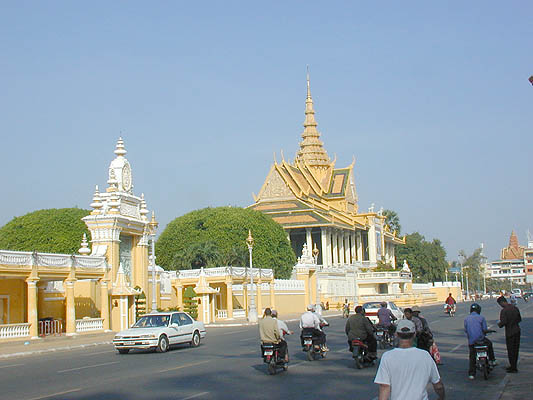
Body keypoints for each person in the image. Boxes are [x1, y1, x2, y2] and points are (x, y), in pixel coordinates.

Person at [374, 319, 445, 400]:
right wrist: (442, 397)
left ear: (396, 334)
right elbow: (438, 385)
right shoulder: (425, 356)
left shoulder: (387, 357)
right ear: (414, 334)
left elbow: (384, 387)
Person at [464, 303, 496, 380]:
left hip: (472, 342)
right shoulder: (481, 318)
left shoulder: (466, 319)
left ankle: (472, 374)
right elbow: (484, 329)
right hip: (481, 340)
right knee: (490, 344)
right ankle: (492, 360)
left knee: (472, 356)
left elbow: (466, 330)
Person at [497, 296, 522, 373]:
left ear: (502, 302)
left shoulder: (504, 311)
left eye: (500, 304)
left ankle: (513, 367)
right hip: (517, 330)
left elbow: (503, 322)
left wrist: (499, 324)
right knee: (516, 349)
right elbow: (519, 319)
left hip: (510, 332)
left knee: (511, 350)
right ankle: (514, 366)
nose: (500, 305)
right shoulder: (515, 308)